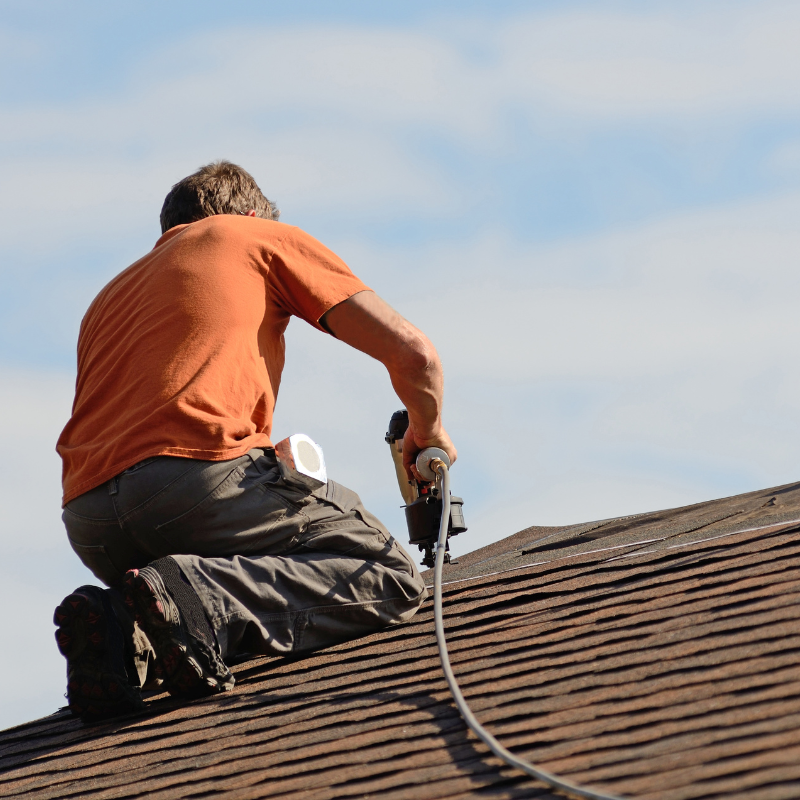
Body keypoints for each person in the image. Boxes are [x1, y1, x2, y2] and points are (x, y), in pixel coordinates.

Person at [54, 161, 457, 721]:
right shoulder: (252, 237)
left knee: (171, 601)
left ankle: (122, 636)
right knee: (386, 574)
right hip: (195, 483)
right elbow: (416, 356)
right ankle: (202, 597)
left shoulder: (109, 296)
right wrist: (427, 429)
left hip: (91, 520)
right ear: (248, 214)